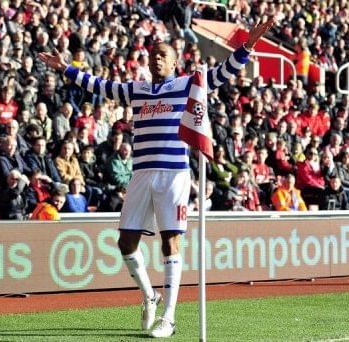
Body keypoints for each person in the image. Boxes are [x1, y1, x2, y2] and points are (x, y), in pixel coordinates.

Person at [39, 16, 274, 338]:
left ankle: (169, 317)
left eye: (163, 54)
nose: (156, 58)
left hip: (174, 174)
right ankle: (150, 295)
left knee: (169, 241)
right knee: (125, 242)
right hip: (141, 173)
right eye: (152, 55)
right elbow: (99, 85)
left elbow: (224, 73)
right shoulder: (136, 90)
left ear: (175, 61)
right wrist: (65, 68)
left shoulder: (188, 83)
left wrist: (247, 45)